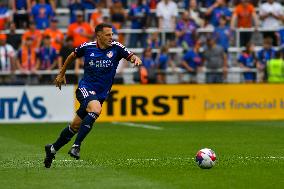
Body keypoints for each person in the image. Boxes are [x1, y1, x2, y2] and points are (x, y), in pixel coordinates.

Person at [44, 23, 142, 168]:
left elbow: (132, 56)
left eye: (112, 34)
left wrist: (136, 59)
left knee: (75, 126)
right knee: (96, 109)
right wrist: (61, 74)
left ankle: (52, 149)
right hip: (85, 88)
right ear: (99, 35)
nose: (111, 37)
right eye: (108, 34)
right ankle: (76, 146)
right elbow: (71, 56)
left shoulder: (116, 47)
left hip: (100, 94)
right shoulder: (87, 47)